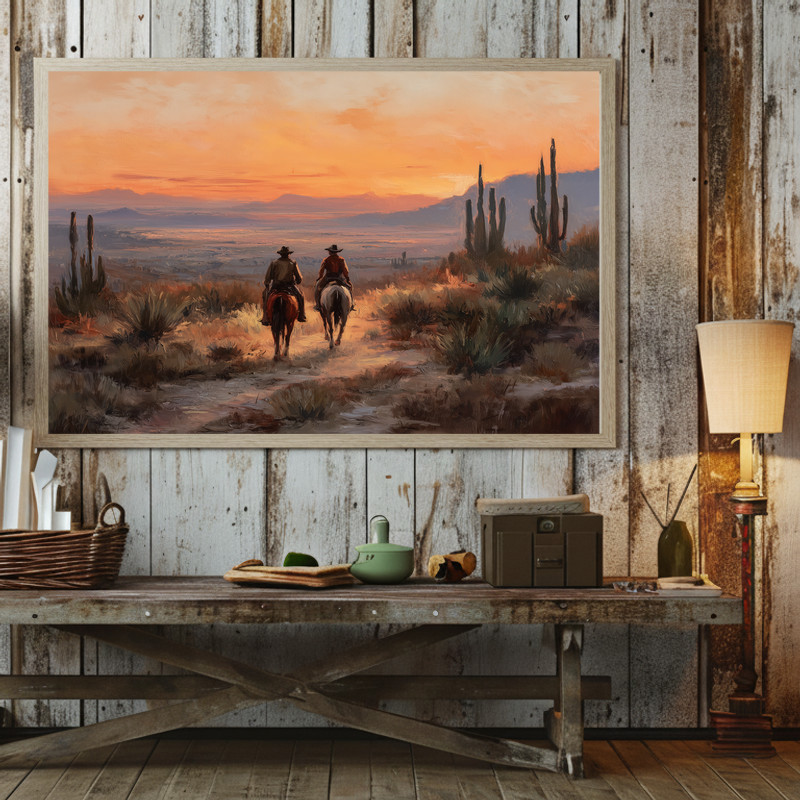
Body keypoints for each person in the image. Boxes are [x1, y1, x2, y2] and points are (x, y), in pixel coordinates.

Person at [263, 245, 307, 323]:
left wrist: (267, 283)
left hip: (276, 286)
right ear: (288, 254)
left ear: (281, 254)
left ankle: (265, 317)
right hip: (290, 286)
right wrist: (298, 281)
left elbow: (268, 276)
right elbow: (299, 277)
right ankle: (301, 315)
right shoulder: (293, 263)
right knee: (300, 296)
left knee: (266, 297)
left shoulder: (274, 263)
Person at [314, 244, 355, 311]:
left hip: (328, 278)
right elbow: (346, 271)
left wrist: (319, 278)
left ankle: (318, 305)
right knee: (350, 287)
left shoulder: (326, 260)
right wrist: (347, 279)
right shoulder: (341, 260)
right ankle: (351, 304)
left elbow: (321, 271)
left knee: (317, 287)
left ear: (330, 252)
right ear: (336, 252)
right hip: (339, 278)